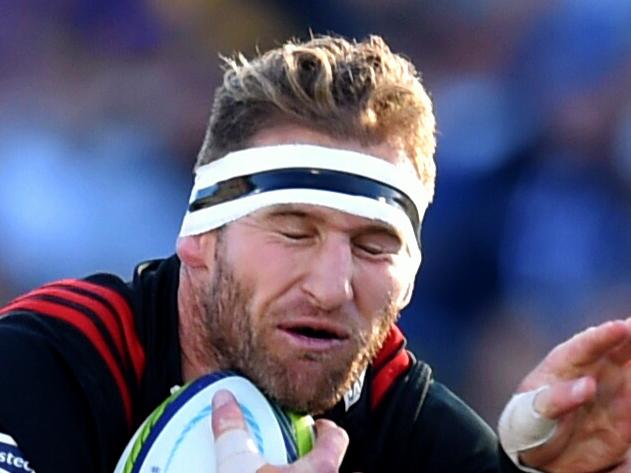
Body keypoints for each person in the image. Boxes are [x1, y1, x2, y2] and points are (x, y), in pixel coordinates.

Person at [1, 34, 631, 473]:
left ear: (410, 277)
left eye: (373, 245)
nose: (333, 287)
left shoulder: (395, 411)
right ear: (199, 237)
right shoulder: (49, 360)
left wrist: (539, 471)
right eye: (294, 232)